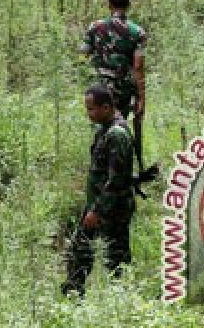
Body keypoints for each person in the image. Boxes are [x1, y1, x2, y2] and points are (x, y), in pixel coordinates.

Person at [63, 84, 136, 297]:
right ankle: (74, 294)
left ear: (106, 107)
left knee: (116, 257)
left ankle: (122, 298)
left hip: (113, 208)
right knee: (79, 249)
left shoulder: (117, 135)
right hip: (99, 204)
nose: (89, 114)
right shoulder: (105, 130)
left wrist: (97, 210)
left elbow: (117, 180)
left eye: (91, 109)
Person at [80, 0, 147, 120]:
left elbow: (83, 55)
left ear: (109, 4)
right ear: (128, 5)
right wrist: (141, 98)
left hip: (100, 89)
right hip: (123, 90)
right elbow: (138, 67)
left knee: (100, 128)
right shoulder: (137, 32)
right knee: (119, 124)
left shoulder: (95, 27)